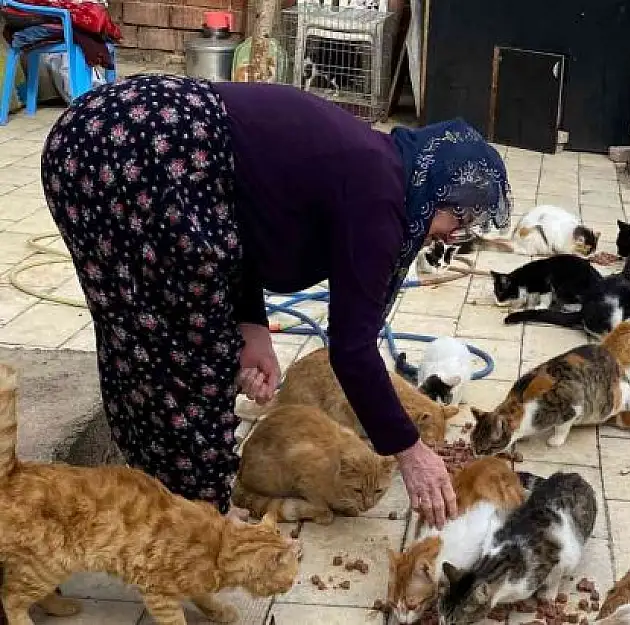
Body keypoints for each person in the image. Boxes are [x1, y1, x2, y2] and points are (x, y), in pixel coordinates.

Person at [40, 74, 511, 528]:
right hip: (140, 151)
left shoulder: (381, 168)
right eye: (459, 217)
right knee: (183, 347)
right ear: (435, 191)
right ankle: (198, 517)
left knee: (153, 333)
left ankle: (172, 496)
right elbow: (352, 349)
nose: (455, 234)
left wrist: (253, 327)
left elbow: (238, 221)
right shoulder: (378, 201)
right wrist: (410, 451)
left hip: (109, 134)